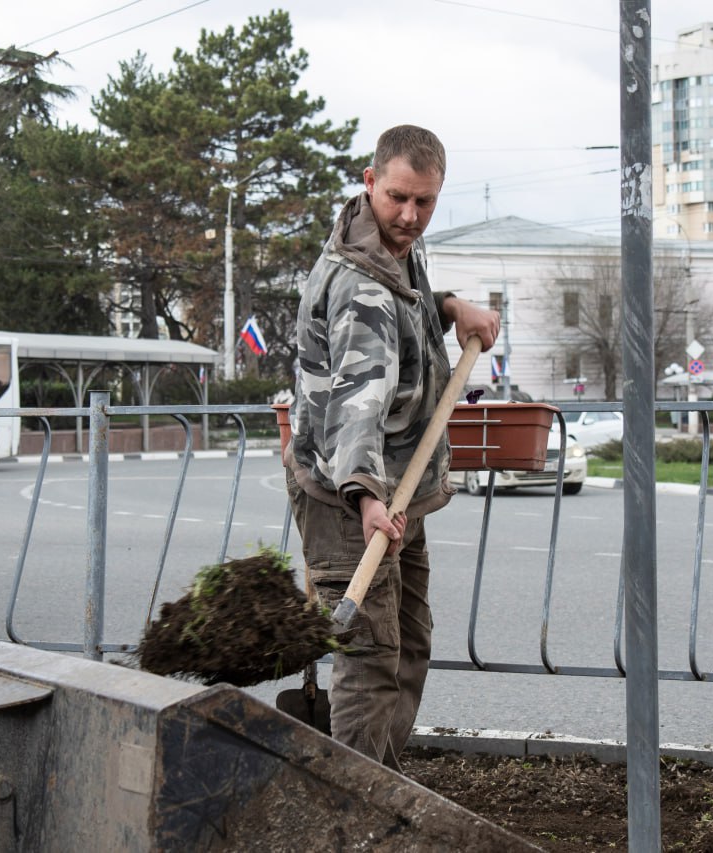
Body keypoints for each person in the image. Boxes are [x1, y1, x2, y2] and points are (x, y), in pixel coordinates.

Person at [284, 125, 499, 769]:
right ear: (369, 181)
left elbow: (404, 314)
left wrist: (450, 305)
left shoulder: (386, 250)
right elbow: (360, 400)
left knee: (408, 642)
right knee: (373, 655)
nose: (410, 216)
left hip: (396, 484)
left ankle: (379, 779)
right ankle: (350, 802)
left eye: (425, 202)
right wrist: (364, 495)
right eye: (398, 198)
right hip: (356, 496)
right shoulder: (362, 287)